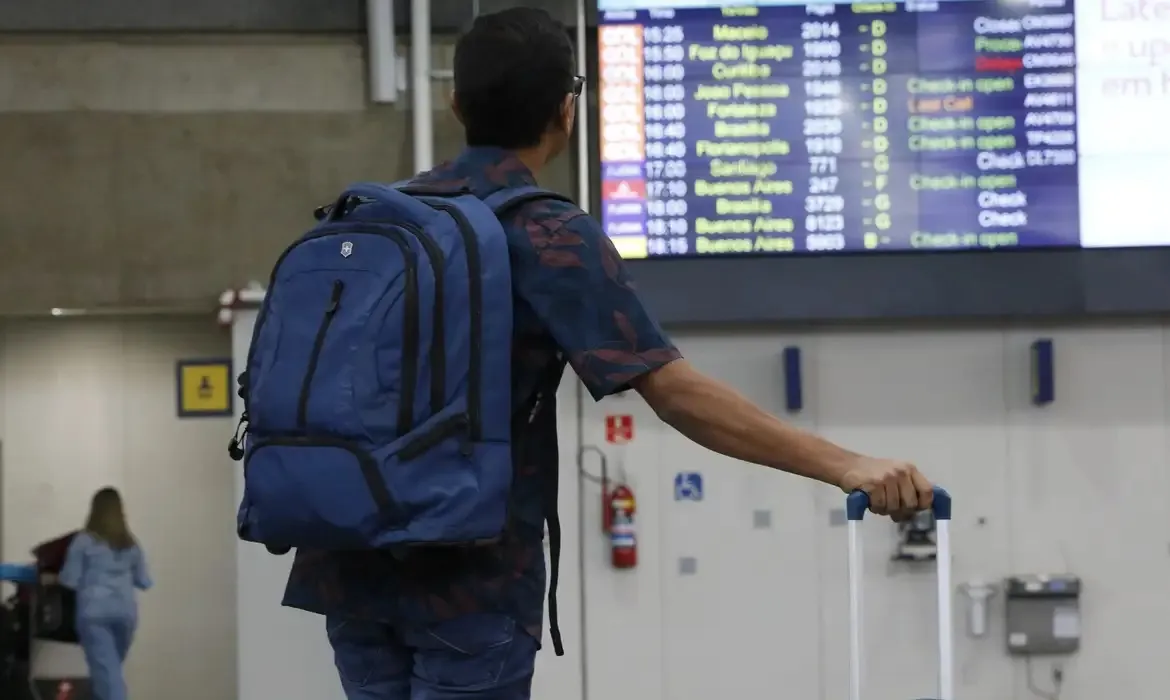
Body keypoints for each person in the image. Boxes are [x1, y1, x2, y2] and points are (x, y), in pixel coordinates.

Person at [282, 8, 936, 700]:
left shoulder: (375, 218)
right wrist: (848, 466)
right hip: (468, 581)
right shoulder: (543, 230)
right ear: (567, 111)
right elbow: (676, 394)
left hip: (347, 565)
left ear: (455, 103)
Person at [59, 487, 152, 700]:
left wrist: (52, 576)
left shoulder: (84, 541)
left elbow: (70, 580)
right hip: (125, 615)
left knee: (108, 679)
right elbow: (144, 581)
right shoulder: (131, 544)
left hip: (94, 616)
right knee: (106, 674)